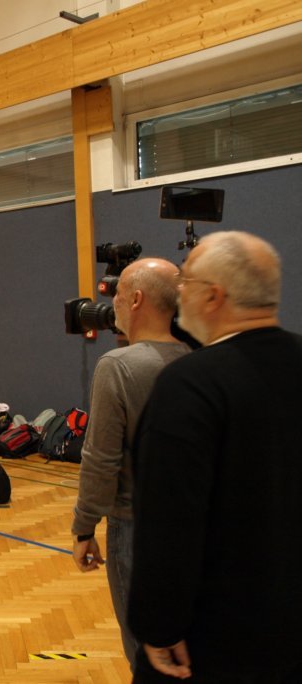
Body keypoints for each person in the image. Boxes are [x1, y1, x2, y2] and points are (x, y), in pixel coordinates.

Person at [128, 231, 302, 682]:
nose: (178, 294)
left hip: (218, 636)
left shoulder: (190, 384)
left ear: (213, 296)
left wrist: (159, 625)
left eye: (185, 281)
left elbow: (169, 519)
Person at [69, 258, 189, 670]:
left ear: (136, 299)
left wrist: (84, 528)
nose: (112, 304)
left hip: (134, 527)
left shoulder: (117, 367)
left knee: (143, 649)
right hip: (189, 524)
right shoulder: (195, 359)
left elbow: (100, 458)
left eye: (117, 294)